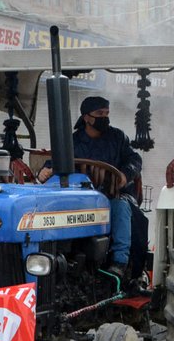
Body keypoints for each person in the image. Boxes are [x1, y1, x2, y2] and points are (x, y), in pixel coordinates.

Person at [36, 96, 142, 278]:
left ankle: (120, 261)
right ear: (86, 117)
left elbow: (135, 160)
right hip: (79, 199)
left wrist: (125, 174)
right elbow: (54, 162)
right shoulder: (72, 141)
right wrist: (45, 170)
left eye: (107, 113)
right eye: (99, 113)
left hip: (111, 195)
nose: (104, 117)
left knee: (121, 207)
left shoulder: (118, 138)